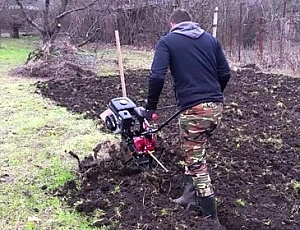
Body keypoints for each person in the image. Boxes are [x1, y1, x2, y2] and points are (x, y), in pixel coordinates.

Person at [143, 9, 231, 222]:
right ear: (191, 23)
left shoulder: (167, 41)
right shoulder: (210, 40)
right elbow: (225, 73)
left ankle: (212, 219)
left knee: (197, 163)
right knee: (194, 151)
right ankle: (188, 197)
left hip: (193, 111)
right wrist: (211, 95)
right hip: (216, 108)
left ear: (172, 23)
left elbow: (157, 76)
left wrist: (150, 107)